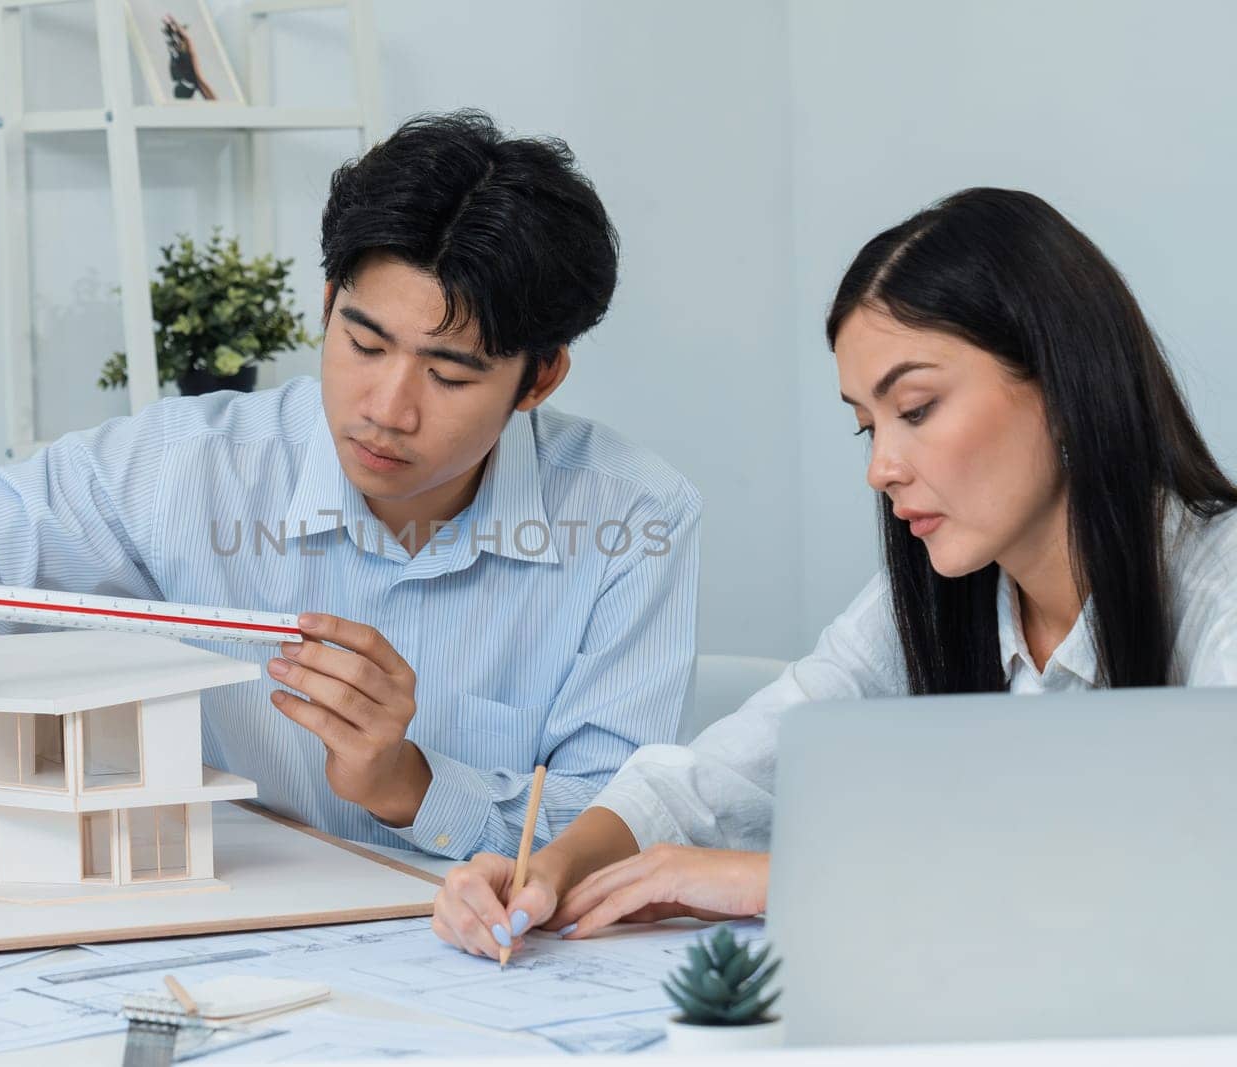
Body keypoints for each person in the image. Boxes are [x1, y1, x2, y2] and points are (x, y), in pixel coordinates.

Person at [0, 111, 702, 860]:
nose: (388, 406)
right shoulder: (194, 465)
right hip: (234, 949)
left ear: (539, 381)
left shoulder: (633, 520)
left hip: (484, 976)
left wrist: (407, 781)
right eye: (364, 342)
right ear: (326, 304)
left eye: (450, 375)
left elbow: (613, 824)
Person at [433, 186, 1237, 956]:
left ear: (1063, 385)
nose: (881, 467)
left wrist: (787, 881)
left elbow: (1188, 883)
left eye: (916, 409)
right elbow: (714, 780)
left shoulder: (1218, 591)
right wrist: (553, 870)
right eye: (866, 426)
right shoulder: (927, 601)